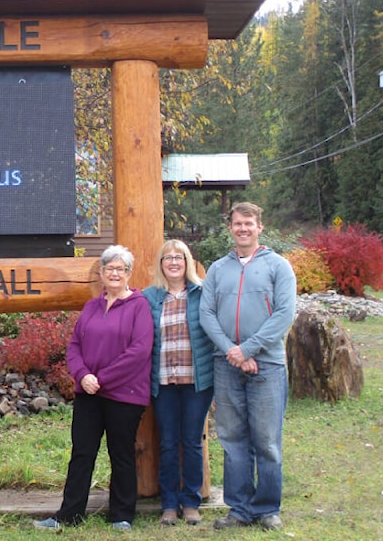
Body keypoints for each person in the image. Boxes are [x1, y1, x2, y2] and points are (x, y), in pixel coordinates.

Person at [34, 245, 153, 532]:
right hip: (88, 393)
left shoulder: (139, 306)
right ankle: (69, 514)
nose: (114, 273)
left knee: (121, 453)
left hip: (125, 394)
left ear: (128, 273)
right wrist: (83, 375)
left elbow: (139, 350)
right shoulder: (91, 306)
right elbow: (74, 345)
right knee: (82, 453)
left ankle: (122, 515)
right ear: (100, 273)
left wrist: (102, 378)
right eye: (109, 268)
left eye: (120, 268)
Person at [199, 202, 296, 531]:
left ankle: (268, 508)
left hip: (267, 365)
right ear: (231, 228)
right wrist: (232, 351)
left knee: (267, 441)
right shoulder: (217, 269)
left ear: (260, 227)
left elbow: (283, 314)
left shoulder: (278, 266)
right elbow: (206, 315)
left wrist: (249, 349)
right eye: (238, 223)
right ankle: (239, 509)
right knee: (231, 438)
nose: (243, 228)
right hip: (226, 364)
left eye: (249, 223)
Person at [144, 240, 213, 526]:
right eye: (168, 258)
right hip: (163, 381)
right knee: (169, 443)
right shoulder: (149, 297)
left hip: (196, 381)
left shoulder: (202, 294)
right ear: (161, 264)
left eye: (179, 257)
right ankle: (169, 503)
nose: (173, 262)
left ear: (187, 262)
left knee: (192, 442)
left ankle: (191, 501)